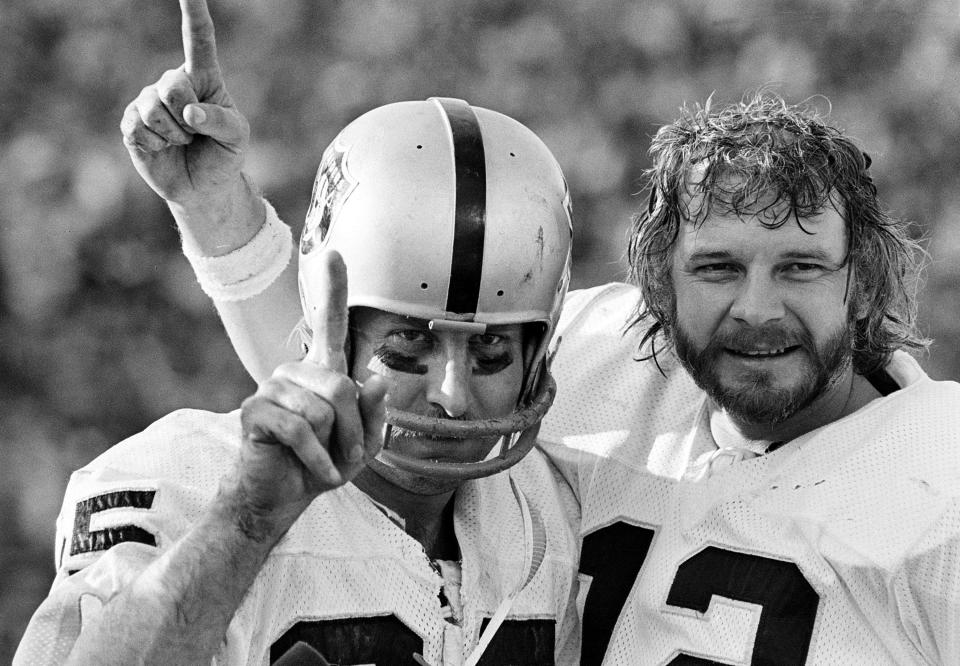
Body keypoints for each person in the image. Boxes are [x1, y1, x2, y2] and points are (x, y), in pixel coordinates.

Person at [178, 70, 960, 663]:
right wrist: (217, 211)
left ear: (864, 283)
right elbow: (346, 380)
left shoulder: (940, 479)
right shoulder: (596, 356)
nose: (757, 308)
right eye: (718, 268)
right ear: (659, 284)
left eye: (800, 269)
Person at [14, 1, 580, 664]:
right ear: (328, 325)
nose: (452, 395)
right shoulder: (184, 480)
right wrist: (245, 522)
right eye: (407, 346)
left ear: (538, 352)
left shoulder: (548, 512)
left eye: (489, 350)